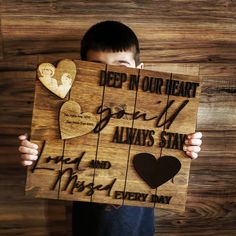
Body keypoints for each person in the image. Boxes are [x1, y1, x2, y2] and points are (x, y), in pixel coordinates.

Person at [18, 21, 202, 236]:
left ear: (139, 71)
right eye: (96, 67)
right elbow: (48, 155)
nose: (108, 75)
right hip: (88, 223)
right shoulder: (67, 111)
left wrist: (186, 147)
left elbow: (173, 154)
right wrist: (35, 153)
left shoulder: (159, 113)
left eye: (120, 67)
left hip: (137, 225)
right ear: (82, 69)